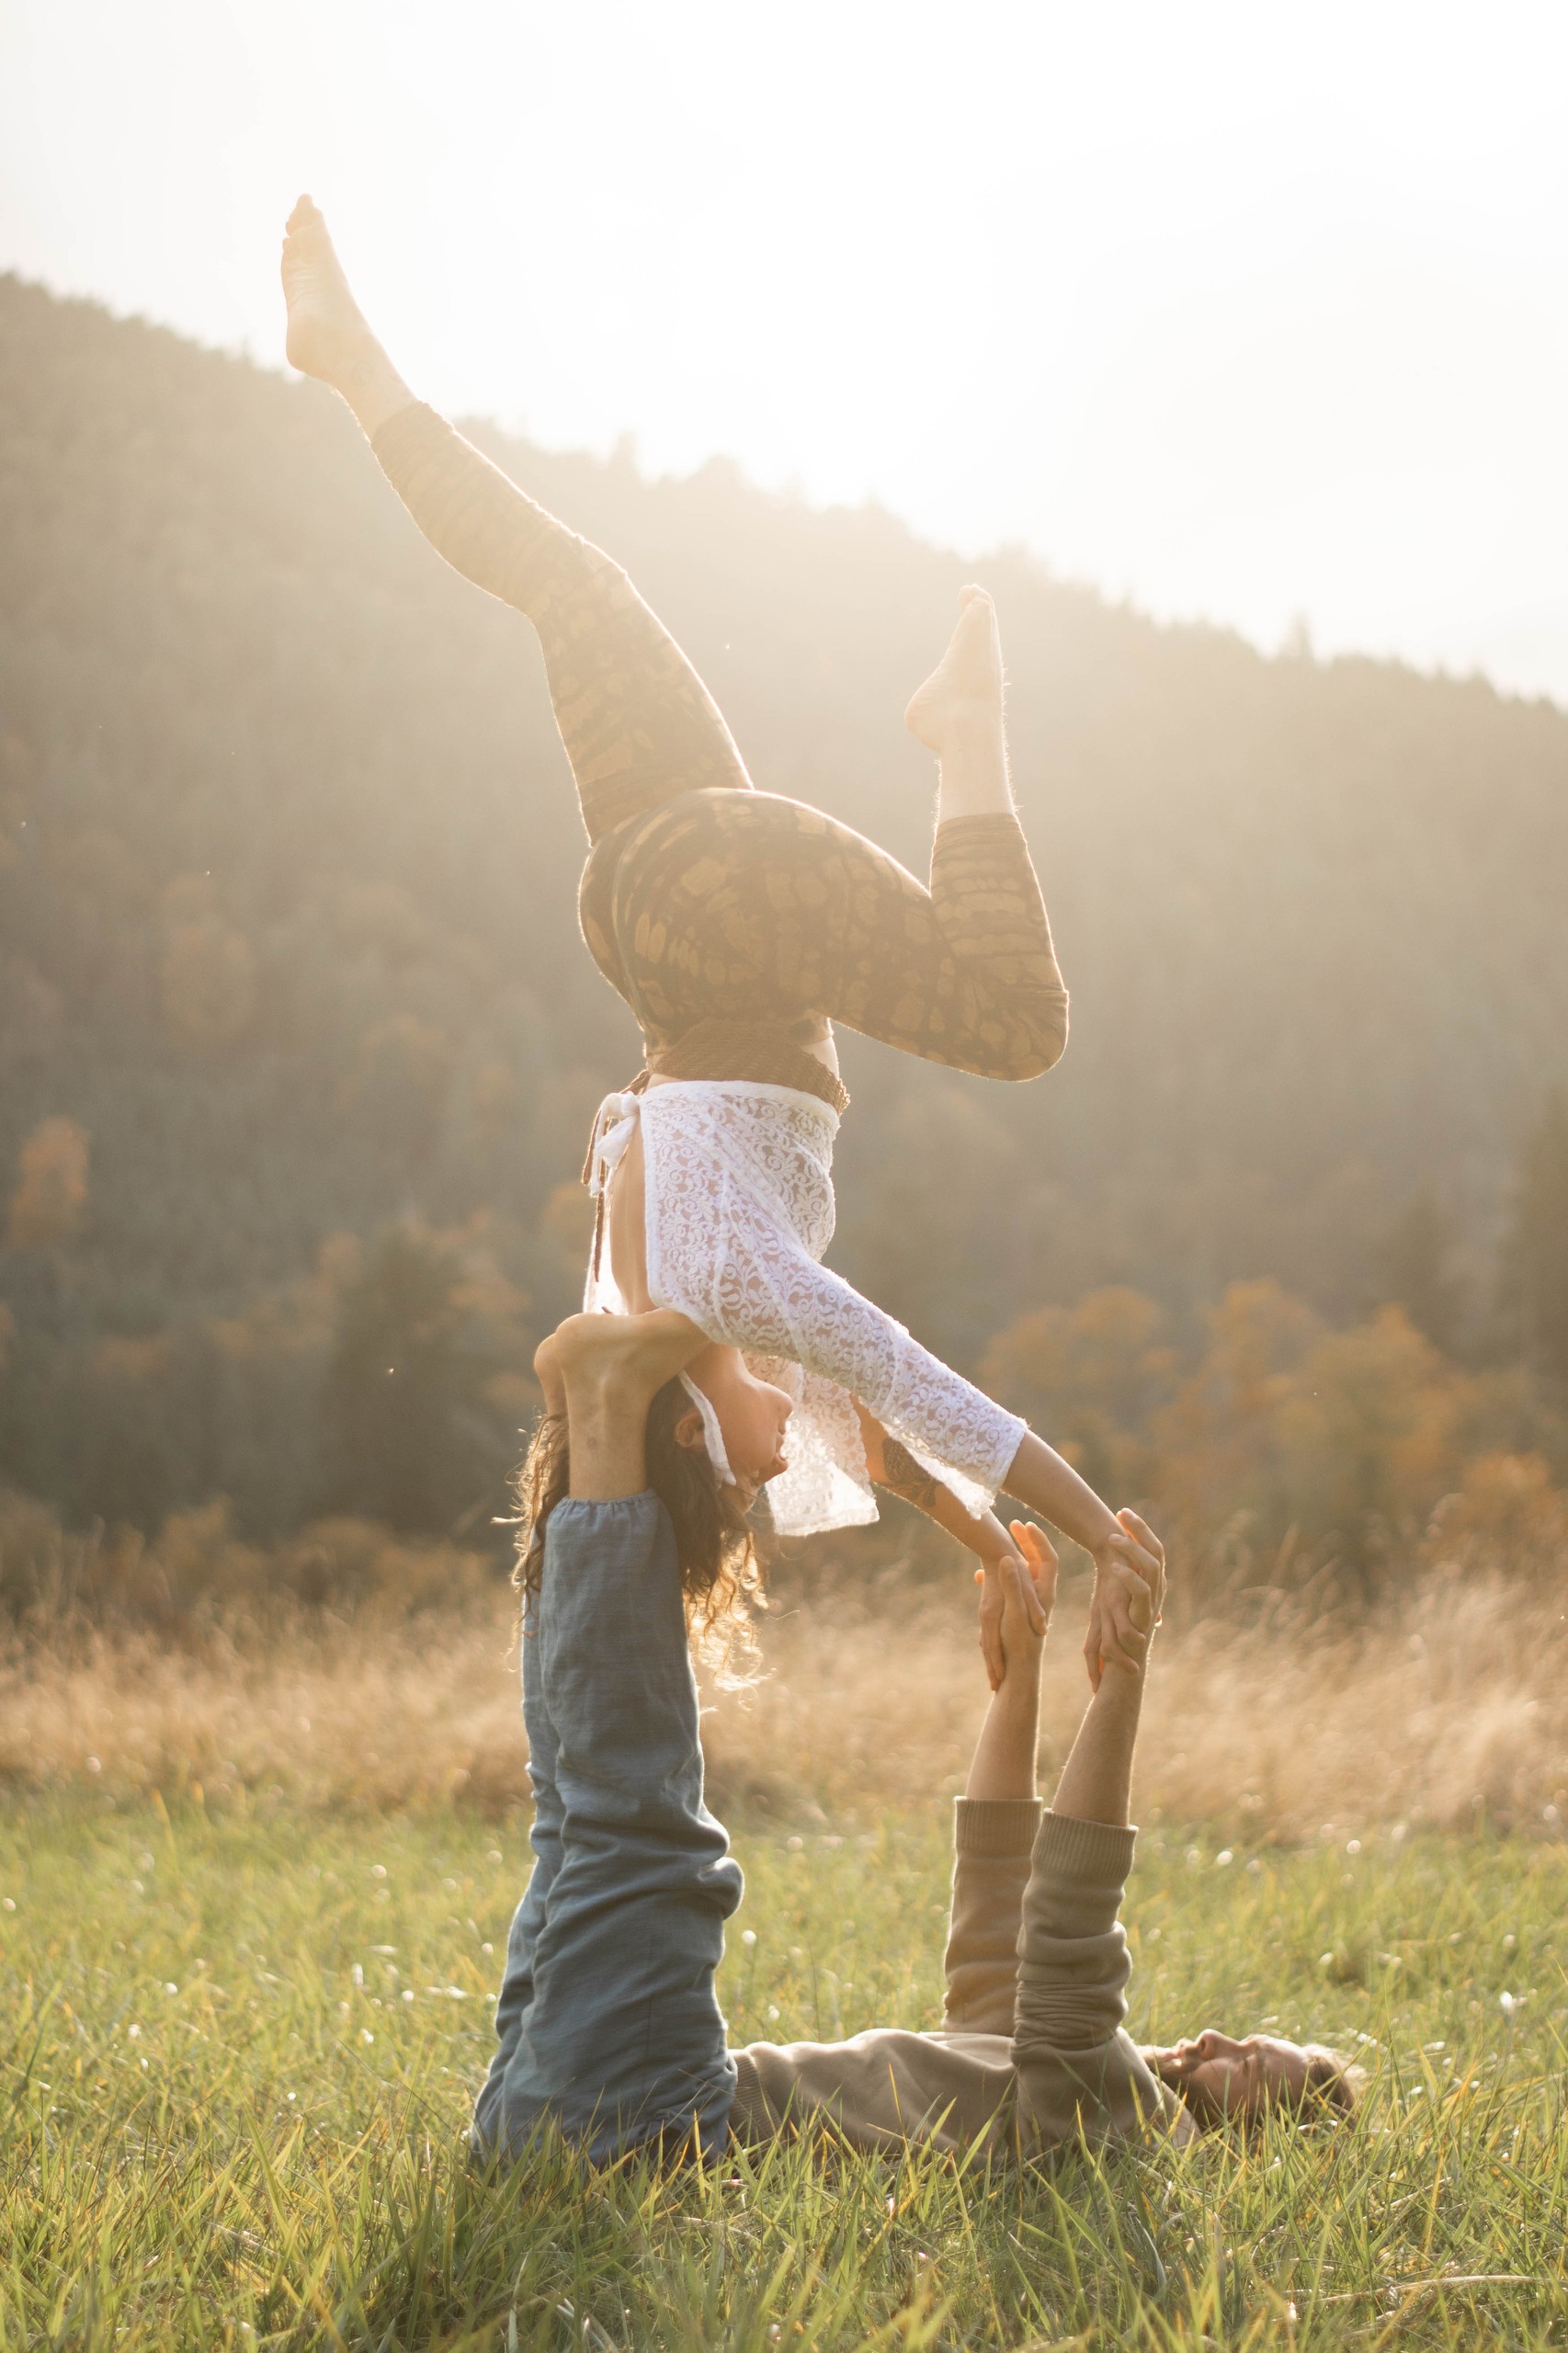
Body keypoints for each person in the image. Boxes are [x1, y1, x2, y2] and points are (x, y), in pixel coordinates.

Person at [280, 196, 1153, 1686]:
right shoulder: (657, 1299)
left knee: (1015, 1018)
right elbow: (861, 1429)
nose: (773, 1464)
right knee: (576, 592)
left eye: (740, 1472)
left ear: (688, 1423)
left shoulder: (714, 1286)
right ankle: (354, 368)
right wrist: (986, 1544)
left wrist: (1088, 1528)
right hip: (656, 914)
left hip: (724, 932)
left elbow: (902, 1380)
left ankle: (966, 737)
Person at [471, 1309, 1359, 2165]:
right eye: (1248, 2041)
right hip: (573, 2104)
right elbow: (995, 1920)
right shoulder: (1059, 2092)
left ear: (1257, 2147)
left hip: (650, 2120)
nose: (1219, 2040)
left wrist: (1124, 1675)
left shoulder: (1125, 2127)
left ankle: (603, 1418)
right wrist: (1021, 1678)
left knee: (636, 1826)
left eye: (1250, 2069)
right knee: (583, 1819)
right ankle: (588, 1423)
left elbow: (1069, 1929)